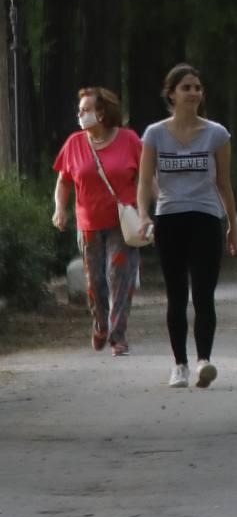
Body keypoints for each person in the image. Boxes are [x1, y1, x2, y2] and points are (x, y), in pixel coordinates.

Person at [136, 64, 237, 389]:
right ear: (171, 94)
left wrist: (232, 223)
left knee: (204, 294)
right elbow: (143, 181)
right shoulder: (154, 134)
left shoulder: (216, 134)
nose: (193, 92)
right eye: (186, 88)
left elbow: (224, 183)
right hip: (170, 219)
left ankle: (203, 362)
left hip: (206, 218)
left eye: (197, 87)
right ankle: (179, 365)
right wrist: (143, 215)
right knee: (176, 295)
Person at [52, 87, 144, 356]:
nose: (80, 114)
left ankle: (118, 335)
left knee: (120, 277)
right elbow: (63, 181)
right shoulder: (74, 143)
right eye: (80, 110)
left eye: (86, 109)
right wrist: (60, 210)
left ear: (102, 112)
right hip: (89, 224)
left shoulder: (129, 140)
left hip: (122, 222)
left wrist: (150, 210)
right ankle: (100, 324)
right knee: (94, 283)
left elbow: (145, 177)